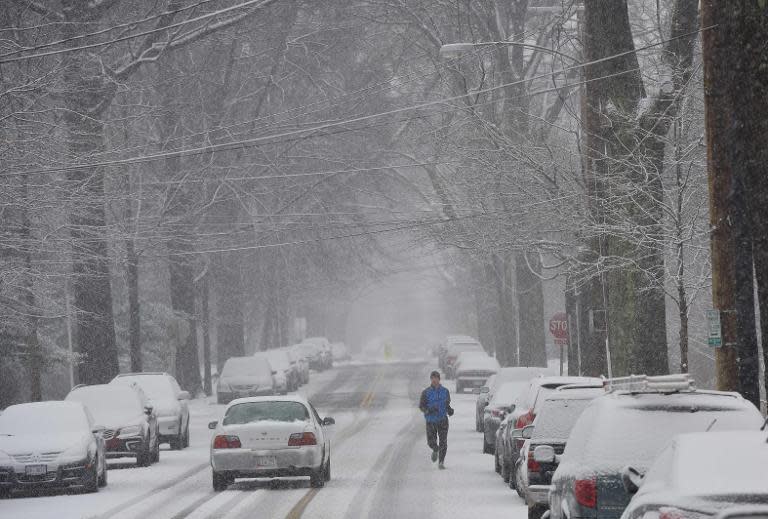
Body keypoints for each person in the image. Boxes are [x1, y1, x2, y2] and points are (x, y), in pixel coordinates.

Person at [419, 370, 453, 469]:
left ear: (439, 379)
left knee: (443, 441)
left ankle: (441, 462)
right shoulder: (426, 392)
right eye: (433, 378)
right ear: (431, 379)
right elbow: (421, 406)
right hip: (431, 420)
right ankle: (435, 449)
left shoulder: (445, 391)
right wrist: (428, 410)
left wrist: (450, 410)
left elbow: (447, 404)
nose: (434, 380)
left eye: (436, 378)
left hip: (443, 420)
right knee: (431, 441)